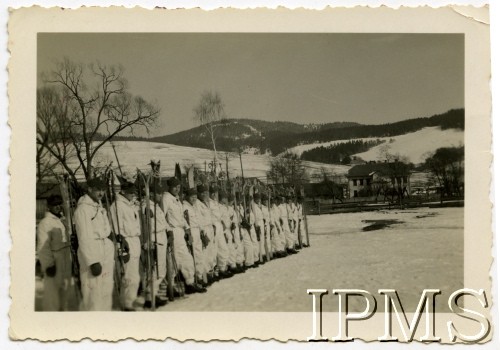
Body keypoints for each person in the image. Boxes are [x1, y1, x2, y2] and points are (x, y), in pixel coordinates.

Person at [73, 177, 115, 311]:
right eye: (98, 190)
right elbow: (84, 236)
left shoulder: (98, 206)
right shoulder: (83, 209)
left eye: (103, 190)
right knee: (93, 290)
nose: (101, 193)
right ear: (90, 189)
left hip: (104, 248)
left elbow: (105, 228)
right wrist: (92, 261)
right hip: (92, 250)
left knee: (106, 287)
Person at [162, 177, 206, 294]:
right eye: (175, 187)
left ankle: (189, 283)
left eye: (178, 187)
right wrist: (168, 230)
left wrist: (187, 229)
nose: (177, 189)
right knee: (175, 260)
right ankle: (170, 287)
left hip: (181, 232)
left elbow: (181, 217)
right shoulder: (166, 198)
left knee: (186, 258)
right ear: (169, 187)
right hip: (174, 232)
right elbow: (161, 216)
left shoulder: (176, 199)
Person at [37, 194, 74, 311]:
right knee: (52, 293)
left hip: (65, 258)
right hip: (54, 259)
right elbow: (43, 246)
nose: (58, 207)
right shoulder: (45, 223)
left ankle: (63, 315)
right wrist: (48, 265)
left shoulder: (61, 221)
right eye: (55, 205)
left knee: (65, 290)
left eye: (59, 204)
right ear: (49, 207)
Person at [109, 181, 142, 311]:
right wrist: (121, 242)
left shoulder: (130, 205)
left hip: (135, 240)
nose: (132, 194)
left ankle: (129, 300)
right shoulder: (117, 206)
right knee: (129, 274)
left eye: (133, 192)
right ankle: (127, 303)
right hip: (126, 241)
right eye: (130, 192)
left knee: (134, 274)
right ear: (123, 192)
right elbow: (116, 227)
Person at [141, 182, 168, 308]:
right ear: (150, 194)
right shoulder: (147, 206)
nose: (160, 195)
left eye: (161, 193)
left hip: (161, 237)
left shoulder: (156, 206)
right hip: (154, 238)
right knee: (155, 269)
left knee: (160, 269)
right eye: (158, 193)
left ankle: (153, 293)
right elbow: (147, 225)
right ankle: (150, 296)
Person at [183, 187, 208, 286]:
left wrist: (202, 230)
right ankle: (194, 279)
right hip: (192, 231)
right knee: (193, 255)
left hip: (197, 231)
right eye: (192, 197)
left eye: (195, 196)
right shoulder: (185, 206)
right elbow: (185, 221)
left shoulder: (194, 206)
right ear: (188, 197)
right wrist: (188, 233)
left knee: (199, 254)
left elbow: (199, 219)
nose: (194, 198)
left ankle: (200, 276)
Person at [208, 186, 233, 278]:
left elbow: (220, 215)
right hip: (213, 227)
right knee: (213, 250)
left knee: (223, 248)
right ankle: (214, 272)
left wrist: (222, 222)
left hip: (219, 226)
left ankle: (223, 268)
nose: (214, 194)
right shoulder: (208, 203)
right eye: (212, 192)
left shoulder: (216, 203)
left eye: (215, 192)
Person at [194, 185, 217, 283]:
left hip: (210, 228)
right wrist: (202, 232)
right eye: (202, 193)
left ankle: (209, 273)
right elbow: (199, 219)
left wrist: (213, 225)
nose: (204, 194)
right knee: (204, 253)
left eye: (206, 193)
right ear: (198, 193)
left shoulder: (207, 203)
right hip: (204, 229)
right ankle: (203, 276)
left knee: (211, 252)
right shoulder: (197, 204)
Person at [236, 193, 255, 269]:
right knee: (239, 246)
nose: (240, 200)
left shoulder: (241, 206)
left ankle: (249, 262)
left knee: (248, 244)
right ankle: (240, 263)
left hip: (244, 228)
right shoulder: (234, 207)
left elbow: (245, 215)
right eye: (239, 199)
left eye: (241, 199)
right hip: (238, 228)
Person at [251, 193, 265, 263]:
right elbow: (255, 216)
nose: (259, 200)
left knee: (262, 239)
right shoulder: (253, 206)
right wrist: (256, 225)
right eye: (257, 198)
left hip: (261, 222)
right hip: (258, 223)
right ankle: (258, 257)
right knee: (258, 240)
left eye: (259, 198)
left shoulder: (258, 205)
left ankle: (261, 254)